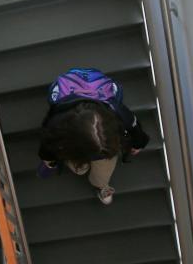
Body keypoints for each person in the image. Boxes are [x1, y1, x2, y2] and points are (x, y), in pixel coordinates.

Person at [36, 68, 149, 205]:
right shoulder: (58, 123)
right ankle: (97, 181)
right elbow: (134, 127)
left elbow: (133, 126)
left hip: (72, 148)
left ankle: (101, 185)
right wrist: (138, 143)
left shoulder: (57, 120)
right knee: (91, 168)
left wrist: (49, 160)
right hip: (73, 146)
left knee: (96, 175)